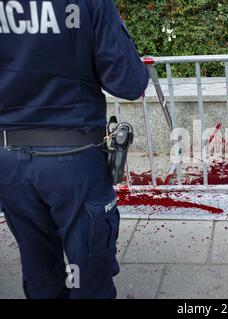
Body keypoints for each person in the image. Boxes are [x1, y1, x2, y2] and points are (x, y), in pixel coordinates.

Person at [0, 0, 148, 298]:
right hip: (72, 159)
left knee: (39, 267)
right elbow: (130, 83)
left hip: (9, 161)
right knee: (89, 276)